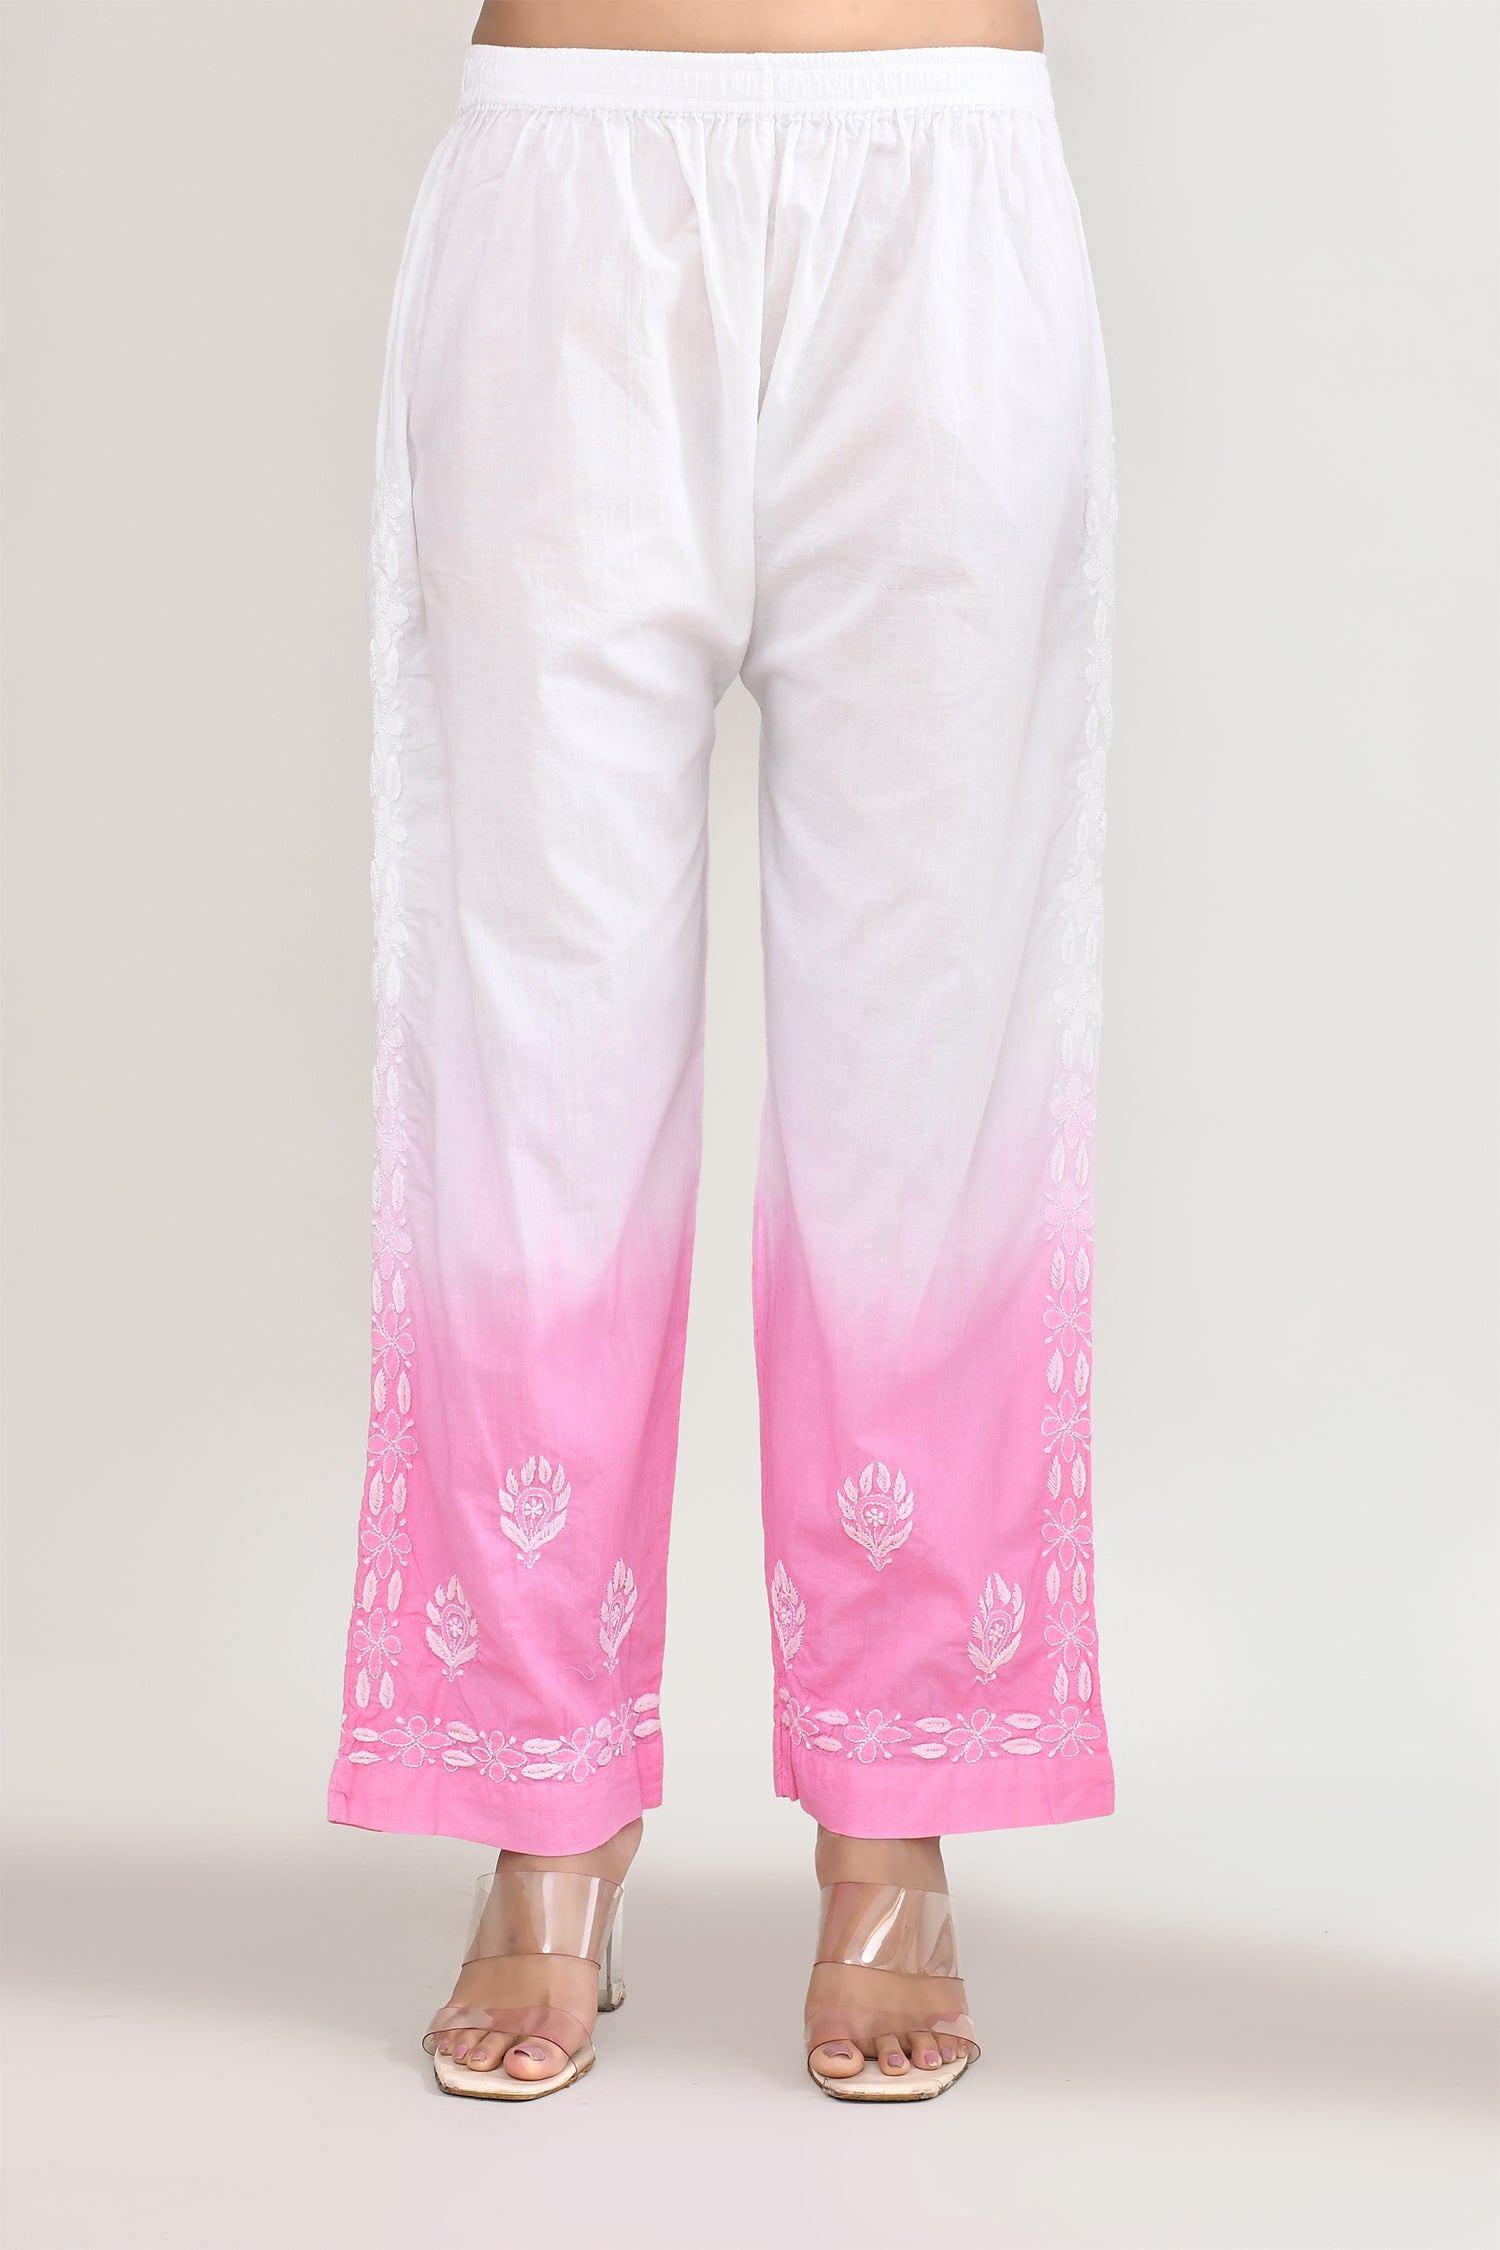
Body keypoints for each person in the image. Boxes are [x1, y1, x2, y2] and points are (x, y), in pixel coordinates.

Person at [328, 0, 1115, 2103]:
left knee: (931, 1052)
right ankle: (544, 1800)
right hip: (572, 176)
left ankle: (897, 1807)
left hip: (939, 175)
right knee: (536, 1047)